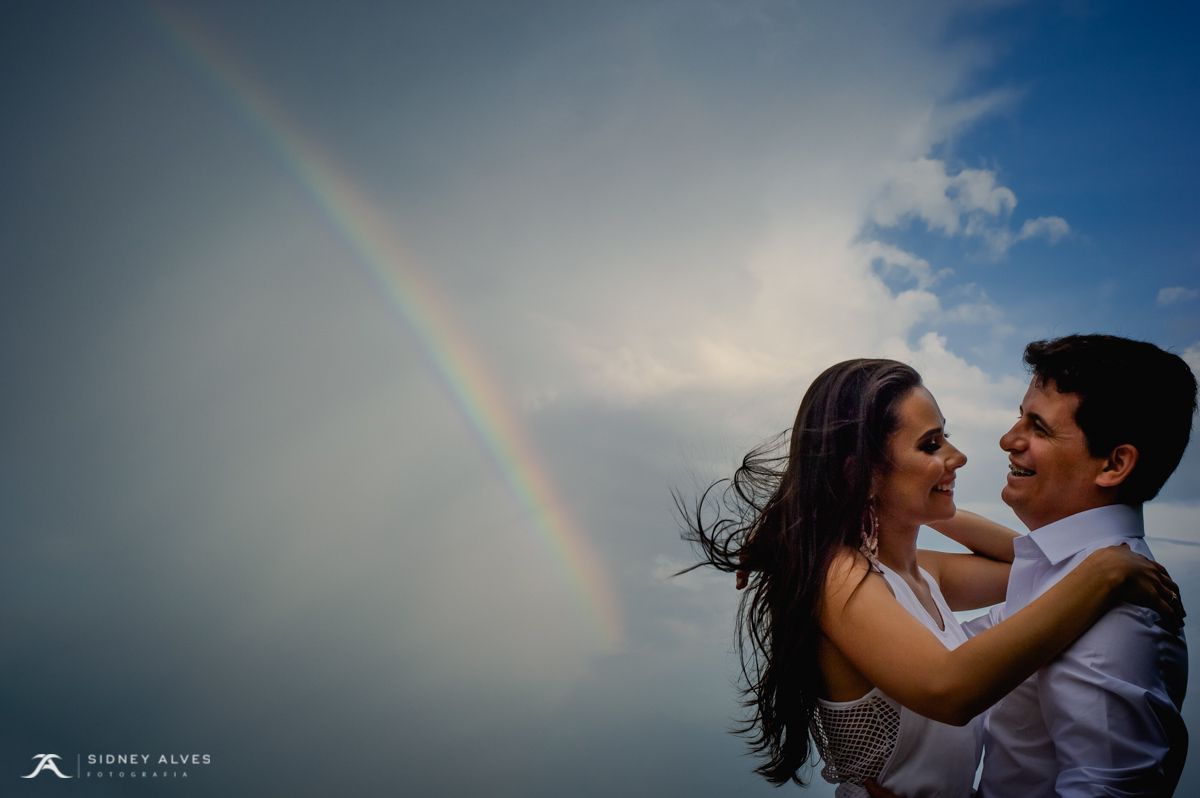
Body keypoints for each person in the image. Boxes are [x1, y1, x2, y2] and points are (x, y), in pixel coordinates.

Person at [680, 357, 1185, 797]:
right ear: (865, 473)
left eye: (945, 435)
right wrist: (1105, 570)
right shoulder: (840, 577)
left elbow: (1033, 566)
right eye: (931, 444)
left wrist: (923, 500)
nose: (958, 455)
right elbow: (949, 690)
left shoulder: (922, 576)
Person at [966, 335, 1193, 797]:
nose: (1009, 439)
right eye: (1019, 417)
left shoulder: (1119, 615)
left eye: (1039, 428)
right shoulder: (1073, 574)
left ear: (1113, 464)